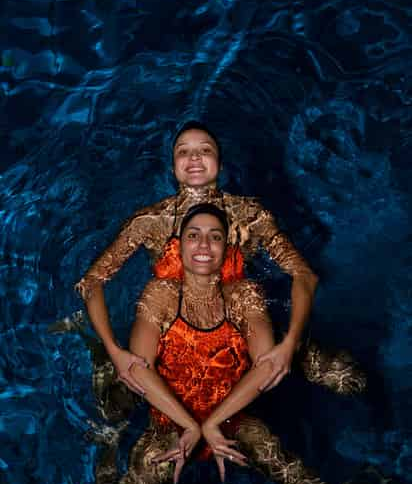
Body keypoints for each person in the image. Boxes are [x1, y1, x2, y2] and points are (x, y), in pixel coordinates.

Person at [78, 204, 399, 484]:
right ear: (178, 246)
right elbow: (138, 369)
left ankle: (371, 475)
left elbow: (265, 367)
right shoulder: (161, 294)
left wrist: (212, 423)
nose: (204, 244)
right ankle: (104, 470)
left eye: (215, 237)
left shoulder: (244, 294)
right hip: (168, 426)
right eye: (193, 236)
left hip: (234, 422)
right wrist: (191, 426)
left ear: (228, 247)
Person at [74, 121, 366, 399]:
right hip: (169, 331)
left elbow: (304, 275)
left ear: (220, 164)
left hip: (238, 320)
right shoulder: (148, 222)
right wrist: (114, 350)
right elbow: (91, 281)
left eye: (205, 150)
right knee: (116, 397)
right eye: (183, 151)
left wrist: (290, 343)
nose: (195, 158)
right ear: (173, 167)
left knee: (349, 380)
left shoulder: (251, 216)